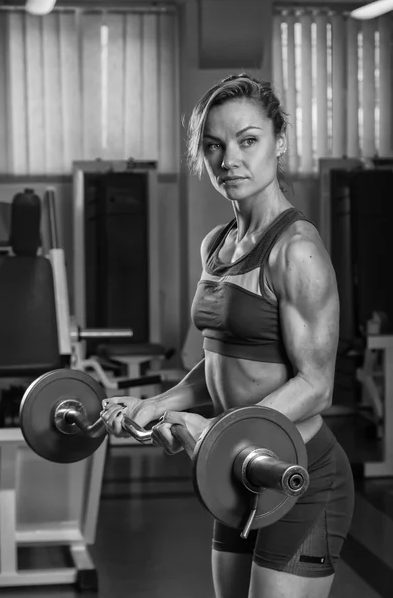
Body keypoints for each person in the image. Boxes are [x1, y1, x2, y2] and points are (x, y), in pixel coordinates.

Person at [100, 74, 355, 598]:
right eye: (214, 145)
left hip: (296, 471)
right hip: (239, 469)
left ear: (278, 142)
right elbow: (218, 362)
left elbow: (316, 385)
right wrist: (159, 403)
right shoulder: (217, 244)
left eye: (248, 140)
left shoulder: (296, 250)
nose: (229, 160)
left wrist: (213, 435)